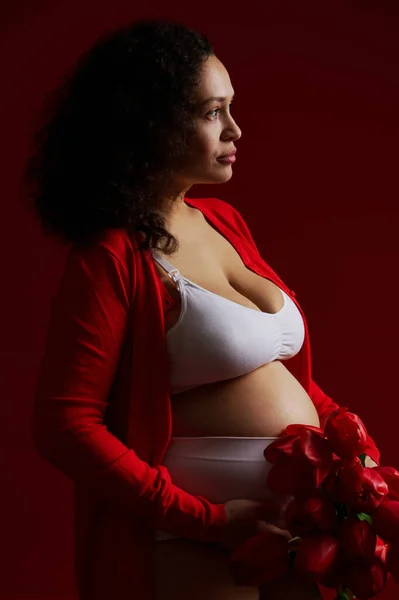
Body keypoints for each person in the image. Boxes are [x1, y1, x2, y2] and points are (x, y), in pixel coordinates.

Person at [22, 18, 380, 600]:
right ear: (149, 125)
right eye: (213, 113)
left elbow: (274, 368)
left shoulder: (224, 221)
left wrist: (346, 435)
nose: (236, 129)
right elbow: (65, 426)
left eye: (231, 108)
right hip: (190, 539)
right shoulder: (111, 256)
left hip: (298, 531)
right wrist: (204, 519)